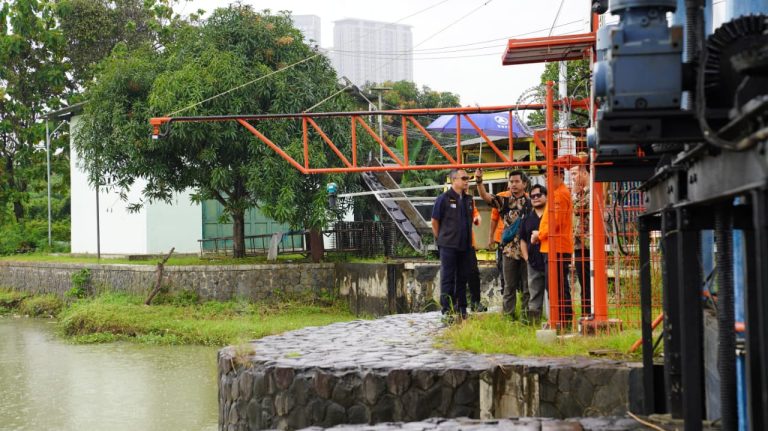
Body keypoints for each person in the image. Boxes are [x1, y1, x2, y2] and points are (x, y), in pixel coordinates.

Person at [474, 169, 531, 320]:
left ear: (524, 184)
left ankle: (527, 318)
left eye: (517, 181)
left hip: (528, 251)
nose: (513, 184)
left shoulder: (532, 202)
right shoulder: (504, 201)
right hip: (509, 251)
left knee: (527, 287)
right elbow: (485, 197)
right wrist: (479, 181)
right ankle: (508, 317)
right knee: (509, 286)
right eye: (511, 182)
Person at [532, 166, 574, 327]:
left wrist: (539, 235)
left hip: (556, 247)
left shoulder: (559, 195)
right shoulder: (557, 194)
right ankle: (561, 320)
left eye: (550, 176)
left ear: (560, 176)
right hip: (552, 246)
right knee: (556, 285)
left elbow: (555, 223)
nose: (547, 179)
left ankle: (562, 320)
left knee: (557, 286)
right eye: (545, 176)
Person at [432, 169, 474, 321]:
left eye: (467, 178)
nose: (466, 181)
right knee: (448, 277)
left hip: (465, 244)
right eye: (463, 178)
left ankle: (462, 307)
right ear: (453, 180)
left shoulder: (469, 199)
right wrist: (441, 239)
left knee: (463, 277)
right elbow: (435, 221)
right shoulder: (443, 199)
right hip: (448, 245)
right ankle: (447, 308)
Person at [519, 184, 547, 323]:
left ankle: (559, 323)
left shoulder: (551, 215)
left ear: (546, 196)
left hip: (550, 261)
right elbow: (522, 240)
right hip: (533, 263)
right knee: (534, 295)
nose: (535, 198)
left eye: (539, 195)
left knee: (555, 294)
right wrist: (527, 259)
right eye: (533, 196)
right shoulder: (527, 218)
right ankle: (534, 324)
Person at [570, 161, 591, 318]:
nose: (572, 178)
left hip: (589, 244)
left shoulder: (589, 193)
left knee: (588, 282)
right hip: (579, 244)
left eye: (575, 174)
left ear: (584, 173)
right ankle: (586, 313)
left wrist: (575, 193)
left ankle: (589, 312)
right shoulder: (581, 194)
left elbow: (577, 208)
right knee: (583, 282)